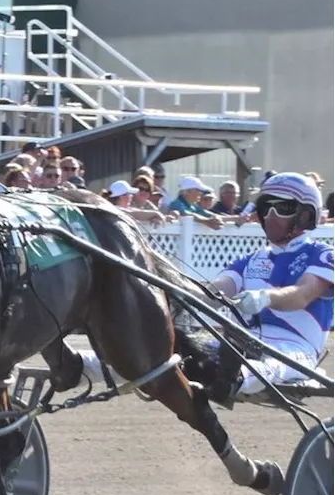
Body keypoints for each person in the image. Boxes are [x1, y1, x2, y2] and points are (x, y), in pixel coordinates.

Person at [81, 173, 335, 404]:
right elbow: (214, 292)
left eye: (282, 208)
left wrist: (266, 297)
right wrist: (173, 291)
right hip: (242, 343)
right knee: (163, 352)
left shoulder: (322, 255)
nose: (270, 215)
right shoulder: (252, 260)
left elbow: (302, 295)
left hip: (294, 349)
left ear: (305, 214)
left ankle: (232, 378)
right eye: (265, 207)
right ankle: (86, 365)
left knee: (273, 363)